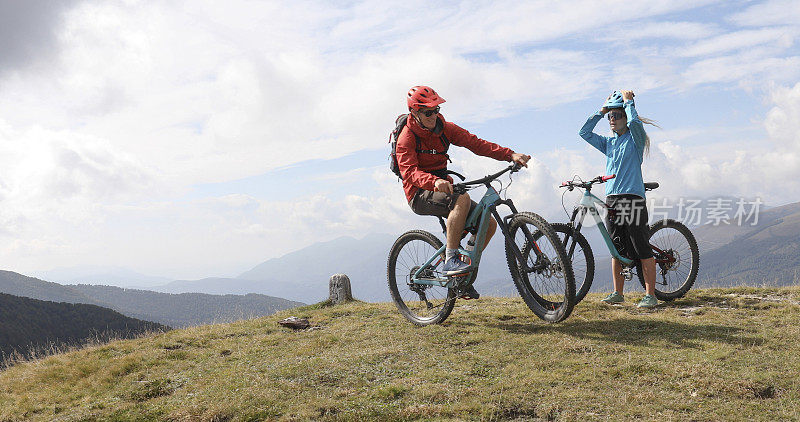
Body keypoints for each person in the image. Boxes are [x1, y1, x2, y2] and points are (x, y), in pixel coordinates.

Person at [396, 85, 531, 299]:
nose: (434, 115)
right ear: (415, 113)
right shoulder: (407, 137)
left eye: (437, 110)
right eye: (428, 112)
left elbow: (476, 144)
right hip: (419, 194)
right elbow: (409, 172)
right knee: (462, 198)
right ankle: (451, 260)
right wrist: (434, 181)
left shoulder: (445, 128)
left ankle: (461, 276)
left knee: (489, 225)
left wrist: (510, 154)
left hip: (443, 188)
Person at [579, 90, 660, 308]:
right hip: (612, 199)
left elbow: (635, 123)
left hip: (632, 198)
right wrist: (601, 111)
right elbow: (584, 133)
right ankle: (618, 292)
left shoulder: (635, 140)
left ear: (625, 115)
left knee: (641, 247)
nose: (612, 119)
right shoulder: (608, 143)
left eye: (616, 115)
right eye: (610, 116)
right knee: (616, 247)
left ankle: (650, 295)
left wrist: (629, 102)